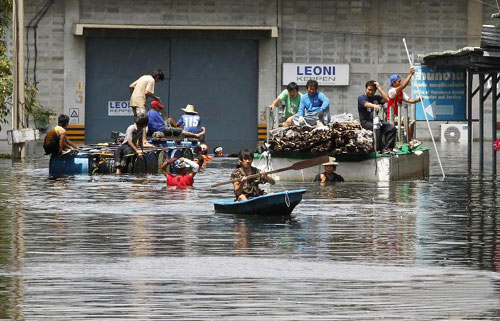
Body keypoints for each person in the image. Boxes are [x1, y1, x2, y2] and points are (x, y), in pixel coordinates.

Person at [358, 80, 397, 153]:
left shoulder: (376, 97)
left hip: (376, 121)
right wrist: (374, 105)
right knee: (377, 128)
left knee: (392, 128)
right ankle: (380, 149)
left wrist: (379, 88)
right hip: (366, 122)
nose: (370, 92)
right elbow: (366, 104)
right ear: (366, 89)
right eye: (369, 90)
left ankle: (388, 148)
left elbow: (386, 99)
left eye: (373, 90)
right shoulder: (361, 98)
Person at [387, 68, 421, 141]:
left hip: (397, 117)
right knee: (409, 121)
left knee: (411, 121)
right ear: (394, 83)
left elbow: (409, 100)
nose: (400, 82)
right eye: (398, 81)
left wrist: (417, 100)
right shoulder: (392, 91)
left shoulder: (401, 92)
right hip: (391, 117)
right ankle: (411, 140)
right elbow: (403, 86)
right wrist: (410, 74)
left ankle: (409, 140)